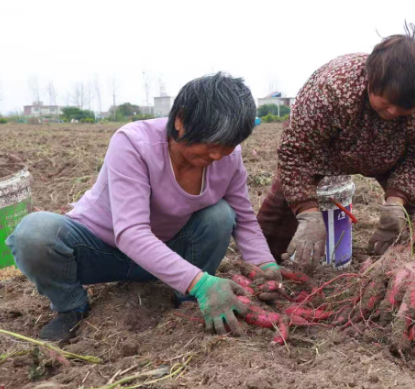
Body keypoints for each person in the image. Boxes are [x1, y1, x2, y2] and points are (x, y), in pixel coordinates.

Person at [6, 74, 279, 342]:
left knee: (220, 215)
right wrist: (203, 281)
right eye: (211, 144)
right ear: (181, 120)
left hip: (166, 254)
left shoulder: (228, 160)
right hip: (99, 251)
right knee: (35, 232)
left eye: (228, 145)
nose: (218, 155)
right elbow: (131, 232)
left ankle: (188, 299)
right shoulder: (134, 143)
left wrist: (267, 268)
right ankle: (70, 307)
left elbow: (244, 221)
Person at [257, 24, 415, 265]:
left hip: (393, 157)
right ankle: (261, 267)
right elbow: (295, 153)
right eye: (386, 104)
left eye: (405, 109)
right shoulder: (333, 87)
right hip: (325, 151)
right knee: (276, 216)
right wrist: (307, 212)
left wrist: (396, 202)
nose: (393, 113)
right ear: (370, 81)